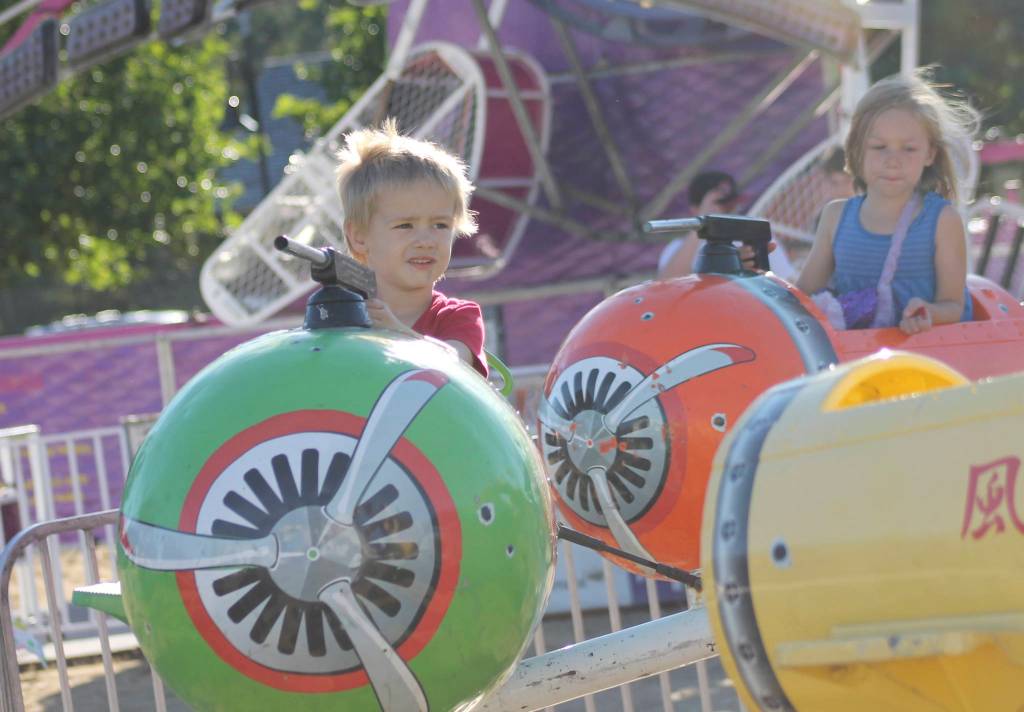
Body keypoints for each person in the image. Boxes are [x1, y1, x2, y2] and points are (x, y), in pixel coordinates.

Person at [796, 71, 979, 334]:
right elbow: (803, 297)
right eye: (879, 147)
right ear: (857, 150)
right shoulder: (835, 217)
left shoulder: (942, 220)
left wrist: (929, 313)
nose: (893, 160)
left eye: (909, 149)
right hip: (854, 356)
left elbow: (954, 305)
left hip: (926, 355)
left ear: (930, 154)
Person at [336, 119, 488, 376]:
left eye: (440, 225)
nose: (426, 241)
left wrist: (398, 334)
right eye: (405, 225)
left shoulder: (458, 317)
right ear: (359, 236)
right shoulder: (341, 318)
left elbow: (454, 367)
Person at [657, 171, 739, 279]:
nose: (727, 210)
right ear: (695, 209)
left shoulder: (744, 240)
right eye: (719, 203)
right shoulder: (676, 248)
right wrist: (703, 220)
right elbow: (669, 281)